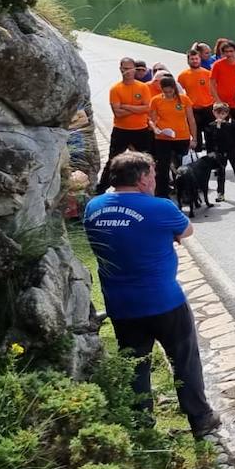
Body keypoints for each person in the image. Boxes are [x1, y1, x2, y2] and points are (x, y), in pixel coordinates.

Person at [83, 151, 219, 437]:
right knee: (184, 360)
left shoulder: (93, 208)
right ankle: (200, 417)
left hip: (121, 304)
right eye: (154, 175)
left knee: (136, 364)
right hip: (164, 301)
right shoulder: (161, 208)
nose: (157, 180)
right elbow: (187, 230)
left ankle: (141, 422)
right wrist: (166, 235)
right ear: (143, 179)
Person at [98, 57, 153, 192]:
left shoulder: (143, 87)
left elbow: (147, 108)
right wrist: (136, 108)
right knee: (113, 160)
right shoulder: (115, 89)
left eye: (129, 68)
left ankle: (149, 188)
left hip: (141, 130)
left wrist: (126, 106)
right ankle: (100, 189)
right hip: (121, 130)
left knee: (147, 161)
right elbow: (118, 113)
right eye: (124, 69)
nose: (127, 72)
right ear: (120, 69)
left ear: (134, 69)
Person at [147, 74, 197, 199]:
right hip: (163, 138)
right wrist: (155, 129)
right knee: (162, 167)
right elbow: (151, 120)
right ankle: (162, 194)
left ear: (174, 88)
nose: (169, 94)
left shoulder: (184, 99)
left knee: (182, 167)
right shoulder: (156, 100)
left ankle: (185, 192)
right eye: (166, 92)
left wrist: (194, 138)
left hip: (182, 137)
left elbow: (191, 119)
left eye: (171, 91)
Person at [205, 102, 235, 201]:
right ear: (214, 113)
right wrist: (210, 153)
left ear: (227, 113)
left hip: (232, 150)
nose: (221, 115)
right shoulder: (211, 126)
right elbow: (210, 141)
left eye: (223, 113)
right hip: (219, 152)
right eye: (218, 113)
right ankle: (220, 193)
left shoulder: (233, 124)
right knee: (220, 173)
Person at [178, 48, 216, 150]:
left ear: (200, 59)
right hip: (193, 109)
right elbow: (179, 93)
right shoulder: (182, 76)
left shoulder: (208, 73)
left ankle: (212, 157)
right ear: (188, 60)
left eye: (196, 58)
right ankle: (197, 158)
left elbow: (214, 90)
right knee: (196, 136)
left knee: (211, 135)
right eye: (192, 59)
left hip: (208, 108)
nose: (194, 61)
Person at [208, 40, 235, 108]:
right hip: (222, 104)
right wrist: (218, 101)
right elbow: (211, 84)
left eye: (231, 51)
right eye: (226, 51)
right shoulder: (217, 65)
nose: (229, 54)